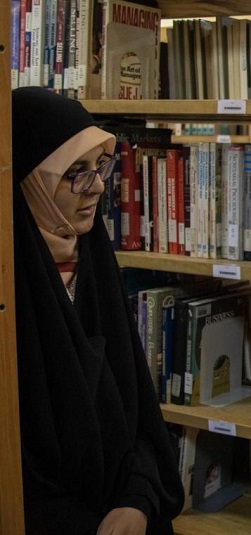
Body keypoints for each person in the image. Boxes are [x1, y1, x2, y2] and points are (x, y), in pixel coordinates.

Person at [11, 87, 184, 534]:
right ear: (27, 182)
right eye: (75, 173)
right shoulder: (11, 288)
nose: (99, 186)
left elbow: (139, 412)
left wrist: (137, 501)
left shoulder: (92, 259)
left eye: (100, 166)